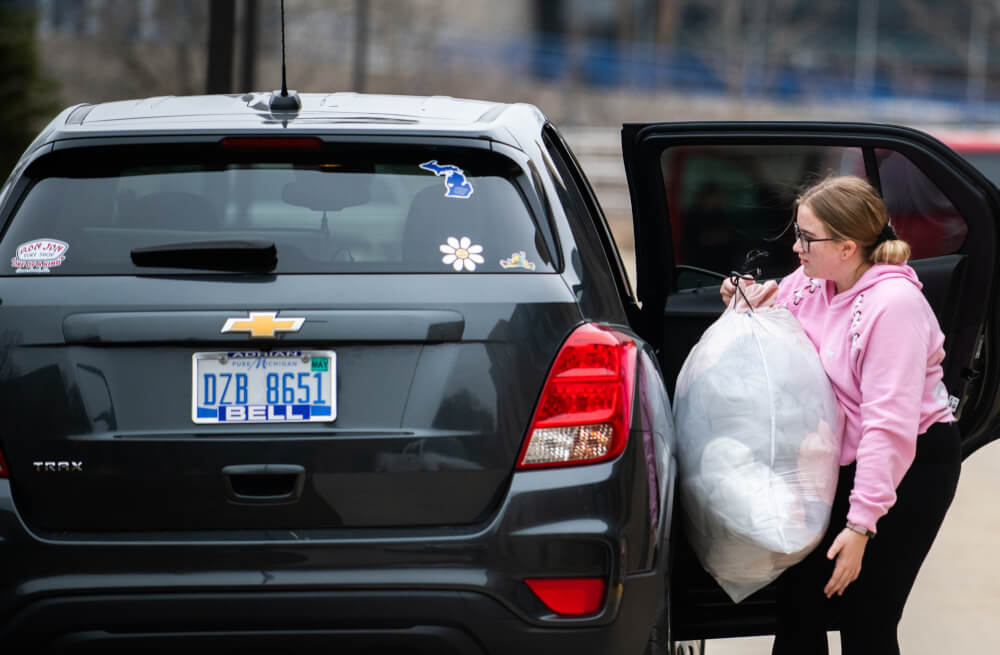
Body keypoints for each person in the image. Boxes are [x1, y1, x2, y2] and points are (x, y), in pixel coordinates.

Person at [720, 175, 960, 655]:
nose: (796, 246)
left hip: (909, 468)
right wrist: (742, 296)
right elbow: (775, 303)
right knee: (796, 608)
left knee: (866, 620)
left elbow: (887, 428)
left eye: (807, 237)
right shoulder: (813, 284)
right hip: (838, 459)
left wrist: (860, 526)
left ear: (848, 246)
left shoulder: (894, 308)